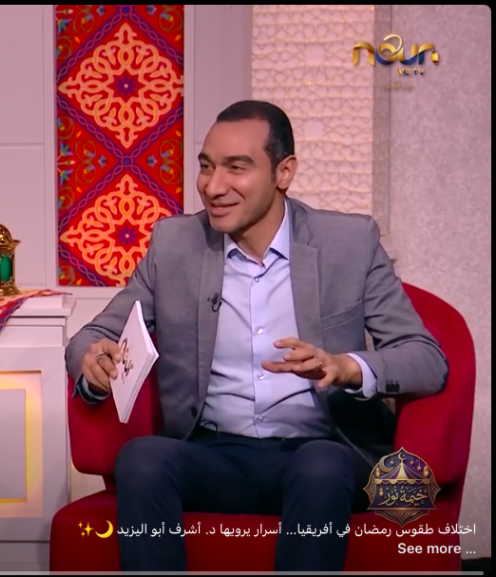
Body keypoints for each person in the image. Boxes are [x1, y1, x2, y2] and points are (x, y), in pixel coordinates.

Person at [65, 100, 448, 572]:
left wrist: (348, 367)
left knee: (321, 467)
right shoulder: (176, 244)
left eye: (236, 168)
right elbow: (93, 335)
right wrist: (91, 362)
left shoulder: (348, 243)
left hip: (322, 453)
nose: (213, 186)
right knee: (142, 459)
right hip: (213, 454)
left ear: (284, 172)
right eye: (206, 167)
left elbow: (425, 358)